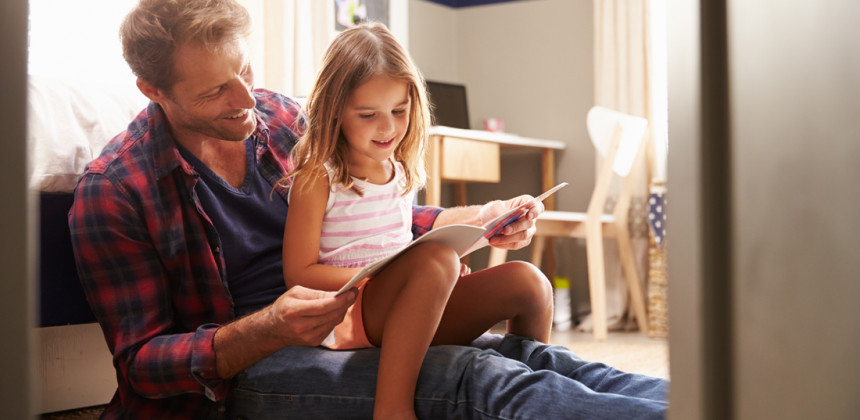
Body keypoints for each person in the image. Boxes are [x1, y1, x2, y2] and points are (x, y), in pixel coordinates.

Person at [68, 0, 669, 418]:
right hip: (255, 367)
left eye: (245, 70)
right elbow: (141, 364)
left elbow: (373, 219)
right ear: (153, 90)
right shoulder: (116, 191)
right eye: (215, 90)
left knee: (538, 358)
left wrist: (473, 220)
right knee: (478, 380)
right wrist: (264, 329)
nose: (248, 98)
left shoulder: (282, 119)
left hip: (368, 305)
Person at [281, 23, 553, 419]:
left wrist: (433, 277)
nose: (388, 127)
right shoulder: (318, 176)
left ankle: (532, 387)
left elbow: (403, 244)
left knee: (529, 283)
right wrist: (401, 276)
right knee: (434, 262)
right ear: (334, 111)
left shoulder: (400, 172)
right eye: (368, 114)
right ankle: (392, 407)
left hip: (408, 306)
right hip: (352, 314)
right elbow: (299, 275)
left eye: (399, 110)